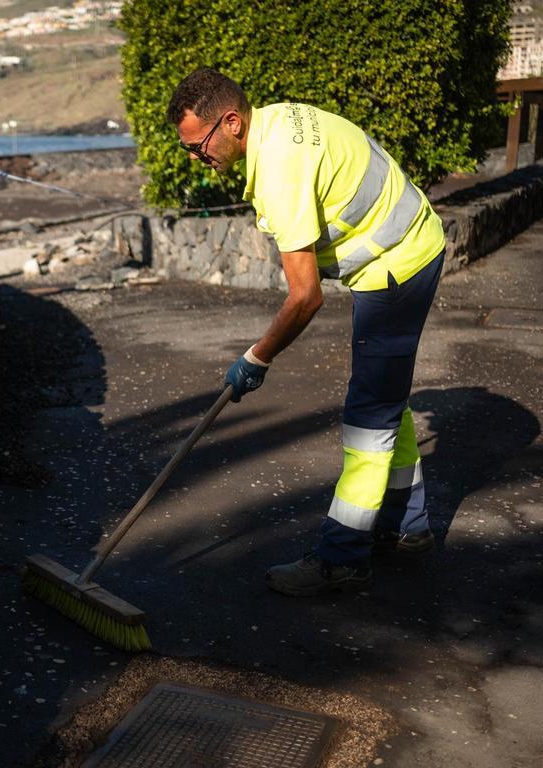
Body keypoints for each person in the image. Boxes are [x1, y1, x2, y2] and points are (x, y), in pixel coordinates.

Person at [167, 67, 445, 596]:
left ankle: (341, 560)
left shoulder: (279, 171)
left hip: (398, 266)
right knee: (387, 403)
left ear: (231, 122)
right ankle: (408, 529)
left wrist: (256, 358)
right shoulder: (275, 125)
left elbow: (305, 296)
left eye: (198, 146)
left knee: (368, 421)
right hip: (411, 245)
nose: (195, 158)